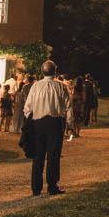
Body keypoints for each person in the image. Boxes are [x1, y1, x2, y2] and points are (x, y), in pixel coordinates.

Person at [24, 60, 70, 196]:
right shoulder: (61, 86)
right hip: (55, 122)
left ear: (42, 72)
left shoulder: (35, 86)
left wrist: (30, 122)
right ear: (55, 71)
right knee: (53, 156)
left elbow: (27, 108)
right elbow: (68, 107)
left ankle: (36, 187)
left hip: (38, 123)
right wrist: (70, 124)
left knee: (38, 156)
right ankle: (52, 185)